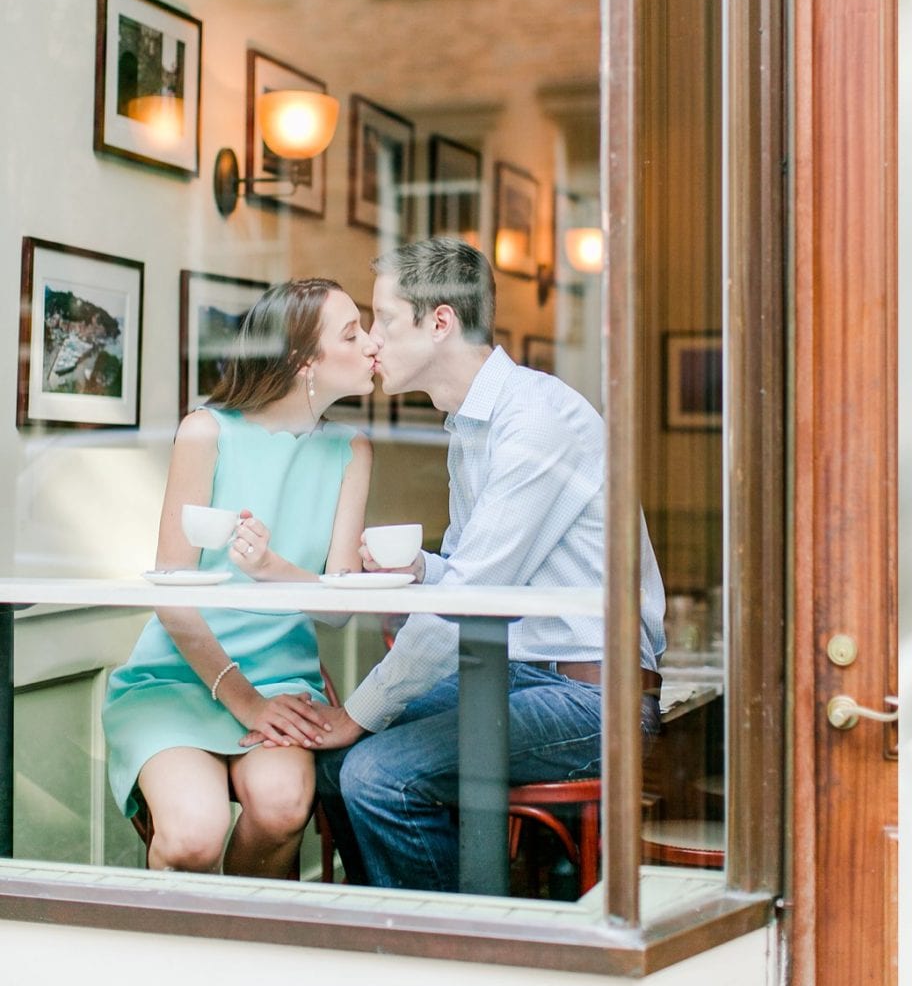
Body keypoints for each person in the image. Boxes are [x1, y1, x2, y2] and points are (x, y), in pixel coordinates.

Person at [305, 238, 666, 891]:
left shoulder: (534, 420)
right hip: (518, 675)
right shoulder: (468, 427)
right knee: (335, 768)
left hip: (593, 697)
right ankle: (387, 932)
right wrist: (421, 570)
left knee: (374, 771)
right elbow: (483, 583)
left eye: (385, 321)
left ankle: (460, 953)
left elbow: (470, 601)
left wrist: (359, 711)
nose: (373, 343)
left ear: (440, 322)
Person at [102, 279, 377, 876]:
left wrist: (275, 571)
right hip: (177, 678)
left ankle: (244, 950)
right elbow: (173, 598)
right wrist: (244, 701)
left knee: (282, 809)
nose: (373, 345)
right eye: (354, 333)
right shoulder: (206, 431)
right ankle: (177, 963)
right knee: (192, 838)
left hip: (283, 682)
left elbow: (336, 609)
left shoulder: (352, 449)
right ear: (304, 361)